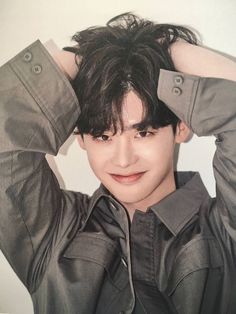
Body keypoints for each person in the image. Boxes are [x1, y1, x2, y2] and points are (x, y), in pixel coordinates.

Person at [0, 12, 236, 314]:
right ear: (81, 138)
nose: (124, 159)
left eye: (144, 133)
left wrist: (165, 50)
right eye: (102, 136)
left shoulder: (225, 230)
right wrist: (87, 57)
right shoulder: (51, 234)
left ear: (181, 127)